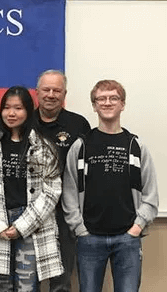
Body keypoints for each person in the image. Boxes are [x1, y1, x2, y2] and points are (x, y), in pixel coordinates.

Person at [62, 80, 158, 292]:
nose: (107, 103)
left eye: (113, 98)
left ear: (122, 104)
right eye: (101, 99)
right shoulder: (81, 147)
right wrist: (79, 228)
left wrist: (136, 228)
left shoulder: (136, 146)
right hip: (89, 238)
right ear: (94, 105)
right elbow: (69, 191)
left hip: (128, 238)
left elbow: (150, 195)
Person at [0, 86, 63, 291]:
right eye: (7, 108)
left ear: (28, 111)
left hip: (31, 224)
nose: (11, 113)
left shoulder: (43, 147)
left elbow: (51, 192)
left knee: (27, 286)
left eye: (18, 108)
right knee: (1, 287)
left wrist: (22, 226)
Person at [34, 69, 90, 292]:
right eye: (46, 89)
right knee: (28, 278)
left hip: (64, 213)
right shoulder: (23, 120)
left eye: (56, 90)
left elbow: (87, 172)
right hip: (28, 211)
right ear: (36, 92)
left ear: (64, 93)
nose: (51, 94)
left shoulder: (79, 125)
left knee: (61, 279)